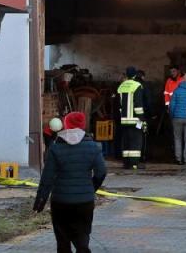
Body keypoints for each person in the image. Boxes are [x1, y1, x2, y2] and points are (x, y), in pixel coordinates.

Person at [33, 112, 107, 253]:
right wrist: (91, 188)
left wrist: (40, 201)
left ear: (66, 125)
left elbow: (47, 177)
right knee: (82, 237)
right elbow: (101, 172)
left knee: (63, 241)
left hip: (61, 201)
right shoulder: (93, 147)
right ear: (83, 125)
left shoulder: (55, 148)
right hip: (85, 201)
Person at [117, 67, 146, 169]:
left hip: (124, 120)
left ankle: (126, 163)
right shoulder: (137, 85)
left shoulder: (121, 86)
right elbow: (138, 105)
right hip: (135, 120)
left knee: (126, 142)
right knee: (136, 142)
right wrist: (142, 119)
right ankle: (134, 164)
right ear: (135, 75)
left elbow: (119, 105)